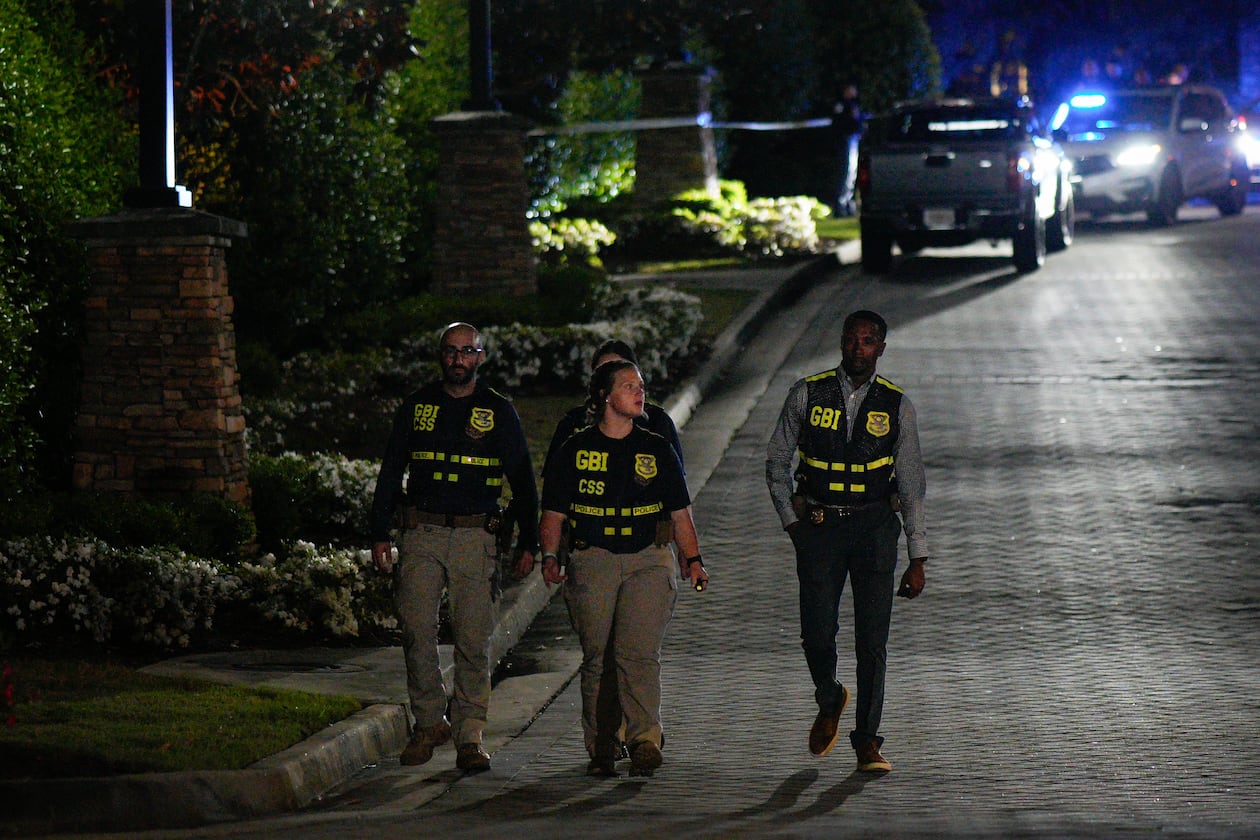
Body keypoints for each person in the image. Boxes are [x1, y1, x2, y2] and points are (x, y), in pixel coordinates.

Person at [370, 321, 539, 773]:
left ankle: (469, 734)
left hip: (474, 538)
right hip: (421, 533)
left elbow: (522, 480)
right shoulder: (417, 406)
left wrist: (530, 541)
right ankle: (428, 723)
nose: (457, 359)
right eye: (450, 351)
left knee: (472, 638)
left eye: (467, 351)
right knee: (416, 628)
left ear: (480, 357)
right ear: (440, 355)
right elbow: (391, 471)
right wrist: (379, 532)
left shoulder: (498, 411)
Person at [765, 310, 927, 773]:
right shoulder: (807, 394)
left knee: (872, 642)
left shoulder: (896, 404)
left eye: (870, 340)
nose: (860, 348)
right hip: (818, 529)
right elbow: (777, 460)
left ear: (881, 348)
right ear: (841, 343)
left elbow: (912, 481)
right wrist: (790, 523)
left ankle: (867, 741)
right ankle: (829, 694)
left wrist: (918, 555)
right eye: (853, 339)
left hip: (875, 530)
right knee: (817, 633)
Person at [538, 360, 708, 778]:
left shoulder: (655, 447)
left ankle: (644, 739)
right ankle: (602, 743)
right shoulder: (575, 450)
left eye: (642, 386)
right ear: (605, 397)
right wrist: (550, 556)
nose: (639, 392)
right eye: (629, 386)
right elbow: (554, 514)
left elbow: (680, 512)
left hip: (647, 560)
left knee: (638, 654)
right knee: (599, 658)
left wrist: (693, 560)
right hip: (592, 559)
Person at [831, 84, 865, 217]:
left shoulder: (854, 105)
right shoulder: (842, 105)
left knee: (851, 173)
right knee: (845, 172)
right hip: (846, 141)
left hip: (853, 141)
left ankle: (848, 204)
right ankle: (840, 206)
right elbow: (840, 123)